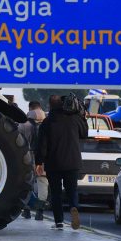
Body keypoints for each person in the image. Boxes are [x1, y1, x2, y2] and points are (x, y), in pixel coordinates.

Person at [35, 94, 87, 230]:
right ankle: (74, 207)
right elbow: (85, 134)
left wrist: (38, 162)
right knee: (72, 190)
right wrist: (82, 116)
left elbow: (41, 145)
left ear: (50, 105)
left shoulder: (47, 122)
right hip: (73, 162)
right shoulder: (75, 119)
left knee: (56, 193)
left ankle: (59, 222)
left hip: (54, 163)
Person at [18, 106, 47, 220]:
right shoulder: (47, 126)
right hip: (42, 159)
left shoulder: (23, 125)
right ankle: (40, 211)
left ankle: (27, 210)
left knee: (27, 183)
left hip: (26, 158)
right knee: (43, 182)